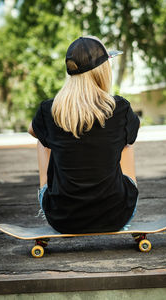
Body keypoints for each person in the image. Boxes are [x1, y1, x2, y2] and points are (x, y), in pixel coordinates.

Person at [28, 36, 140, 234]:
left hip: (62, 218)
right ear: (103, 69)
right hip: (116, 215)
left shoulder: (50, 110)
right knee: (127, 141)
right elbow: (130, 137)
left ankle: (51, 195)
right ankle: (114, 199)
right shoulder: (120, 108)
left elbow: (32, 130)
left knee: (42, 140)